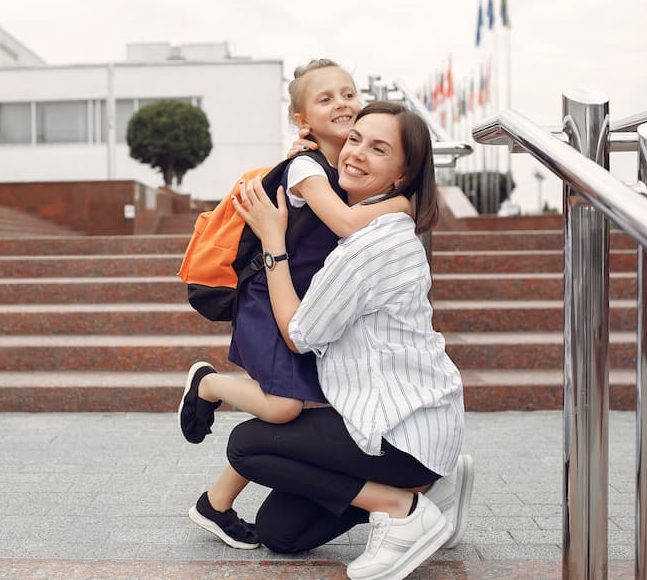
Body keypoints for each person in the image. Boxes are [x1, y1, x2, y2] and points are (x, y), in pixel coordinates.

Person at [227, 101, 468, 579]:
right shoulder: (382, 227)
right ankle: (430, 489)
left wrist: (273, 242)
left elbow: (298, 335)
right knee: (281, 533)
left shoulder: (367, 245)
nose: (356, 153)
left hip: (398, 431)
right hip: (417, 424)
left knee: (247, 446)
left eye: (379, 149)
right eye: (355, 139)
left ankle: (403, 508)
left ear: (402, 175)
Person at [178, 60, 414, 549]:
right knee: (286, 406)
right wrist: (404, 205)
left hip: (303, 307)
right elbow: (349, 224)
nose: (342, 104)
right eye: (325, 99)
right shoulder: (307, 169)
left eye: (348, 93)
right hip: (269, 302)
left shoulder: (334, 167)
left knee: (305, 411)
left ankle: (214, 504)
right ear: (302, 119)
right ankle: (208, 384)